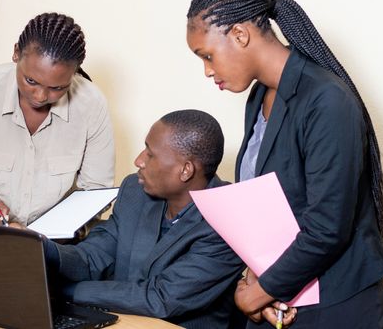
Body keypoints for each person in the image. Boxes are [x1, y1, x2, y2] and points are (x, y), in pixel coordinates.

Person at [186, 0, 383, 328]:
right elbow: (271, 211)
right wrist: (259, 284)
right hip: (286, 299)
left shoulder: (327, 100)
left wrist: (258, 291)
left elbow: (327, 229)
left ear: (239, 34)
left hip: (339, 309)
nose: (207, 70)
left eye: (207, 55)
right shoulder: (259, 97)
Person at [42, 110, 246, 328]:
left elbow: (161, 298)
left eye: (150, 154)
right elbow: (93, 256)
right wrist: (40, 248)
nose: (138, 160)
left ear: (185, 170)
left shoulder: (228, 219)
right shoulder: (135, 191)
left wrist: (60, 289)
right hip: (121, 322)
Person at [0, 12, 114, 226]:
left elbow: (95, 193)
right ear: (15, 53)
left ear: (73, 74)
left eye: (57, 88)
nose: (40, 96)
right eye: (31, 80)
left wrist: (46, 237)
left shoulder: (91, 105)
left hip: (58, 245)